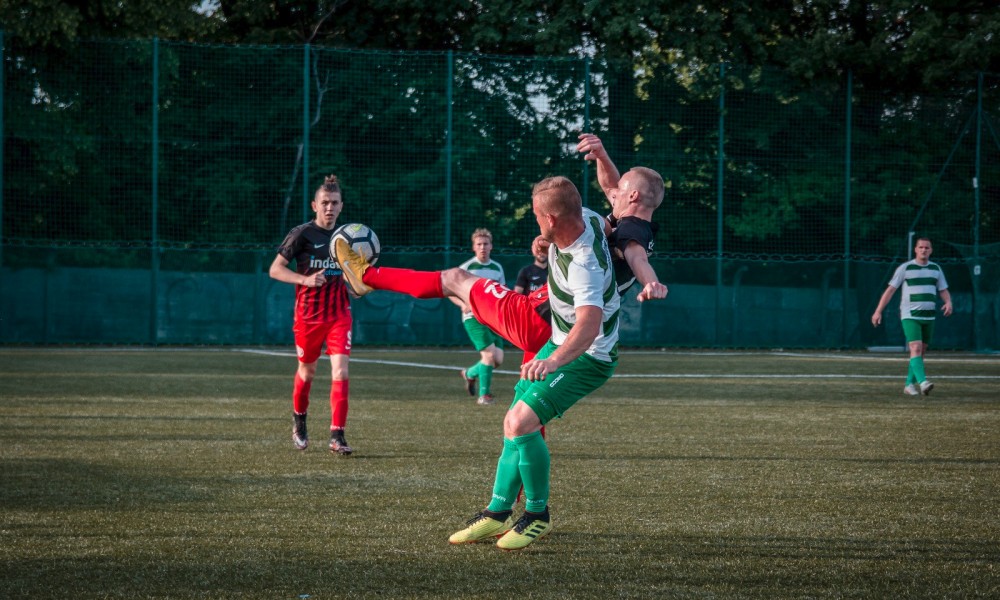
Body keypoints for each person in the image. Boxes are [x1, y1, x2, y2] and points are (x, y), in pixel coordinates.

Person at [334, 133, 667, 366]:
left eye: (621, 190)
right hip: (553, 322)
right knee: (527, 404)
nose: (612, 191)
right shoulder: (629, 221)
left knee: (454, 278)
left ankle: (365, 276)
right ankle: (527, 451)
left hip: (538, 315)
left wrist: (649, 280)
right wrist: (602, 155)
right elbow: (611, 185)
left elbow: (636, 255)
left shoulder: (631, 230)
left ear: (632, 197)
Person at [269, 174, 355, 456]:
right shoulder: (301, 234)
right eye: (325, 203)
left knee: (340, 371)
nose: (330, 207)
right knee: (307, 372)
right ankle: (299, 418)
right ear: (314, 205)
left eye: (335, 203)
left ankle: (337, 435)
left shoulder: (348, 239)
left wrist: (357, 285)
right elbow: (275, 269)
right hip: (308, 316)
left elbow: (354, 278)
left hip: (339, 315)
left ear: (341, 206)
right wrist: (304, 280)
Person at [871, 237, 953, 395]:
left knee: (921, 351)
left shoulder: (936, 269)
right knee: (915, 347)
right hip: (910, 315)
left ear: (931, 250)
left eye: (927, 248)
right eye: (921, 247)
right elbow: (890, 290)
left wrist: (948, 302)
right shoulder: (905, 268)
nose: (924, 250)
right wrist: (878, 310)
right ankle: (923, 383)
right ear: (915, 249)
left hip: (929, 316)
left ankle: (909, 385)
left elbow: (943, 289)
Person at [456, 228, 506, 406]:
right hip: (474, 318)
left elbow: (501, 292)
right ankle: (484, 396)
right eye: (479, 244)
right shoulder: (467, 267)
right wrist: (463, 304)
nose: (482, 247)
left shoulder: (497, 268)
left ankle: (469, 373)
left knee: (497, 360)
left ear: (491, 246)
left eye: (485, 244)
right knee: (490, 356)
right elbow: (449, 291)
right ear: (473, 247)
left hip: (493, 319)